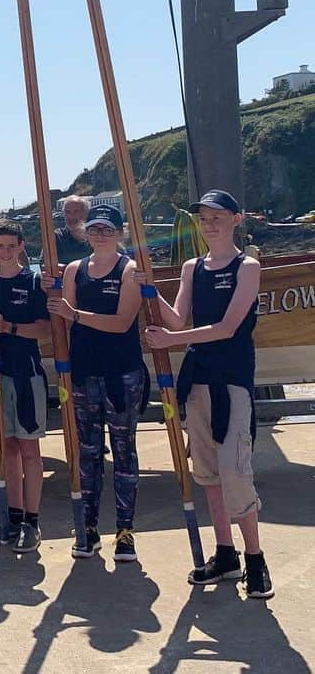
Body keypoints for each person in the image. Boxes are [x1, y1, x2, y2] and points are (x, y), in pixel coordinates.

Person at [142, 190, 273, 599]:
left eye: (218, 216)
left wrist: (171, 339)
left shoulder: (247, 267)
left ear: (236, 219)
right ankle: (225, 553)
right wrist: (149, 290)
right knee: (208, 474)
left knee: (235, 472)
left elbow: (229, 327)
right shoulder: (191, 268)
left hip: (231, 380)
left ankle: (255, 559)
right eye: (204, 216)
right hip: (198, 381)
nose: (210, 222)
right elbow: (179, 317)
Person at [48, 204, 149, 563]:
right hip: (84, 372)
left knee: (124, 452)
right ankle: (87, 528)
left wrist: (74, 314)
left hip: (122, 374)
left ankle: (124, 532)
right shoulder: (75, 270)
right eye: (94, 229)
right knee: (88, 453)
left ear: (119, 233)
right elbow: (66, 320)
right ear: (85, 233)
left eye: (107, 229)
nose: (100, 235)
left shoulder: (130, 270)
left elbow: (121, 322)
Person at [0, 220, 51, 552]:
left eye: (10, 245)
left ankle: (32, 522)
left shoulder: (32, 281)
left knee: (30, 449)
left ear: (20, 246)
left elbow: (44, 329)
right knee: (7, 449)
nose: (4, 252)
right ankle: (13, 517)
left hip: (26, 372)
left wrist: (8, 327)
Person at [55, 196, 92, 265]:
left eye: (76, 211)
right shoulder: (56, 237)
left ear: (87, 213)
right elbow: (44, 264)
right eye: (67, 212)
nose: (71, 216)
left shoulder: (96, 235)